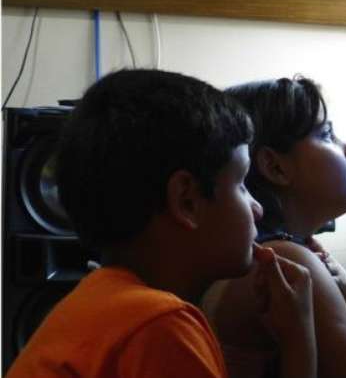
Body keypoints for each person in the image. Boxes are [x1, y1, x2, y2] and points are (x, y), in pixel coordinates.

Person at [7, 69, 316, 378]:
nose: (258, 209)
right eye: (242, 184)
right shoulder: (159, 325)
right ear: (187, 200)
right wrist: (300, 337)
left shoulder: (94, 305)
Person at [202, 76, 346, 378]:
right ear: (276, 167)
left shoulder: (256, 256)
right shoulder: (285, 262)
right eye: (327, 135)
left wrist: (341, 296)